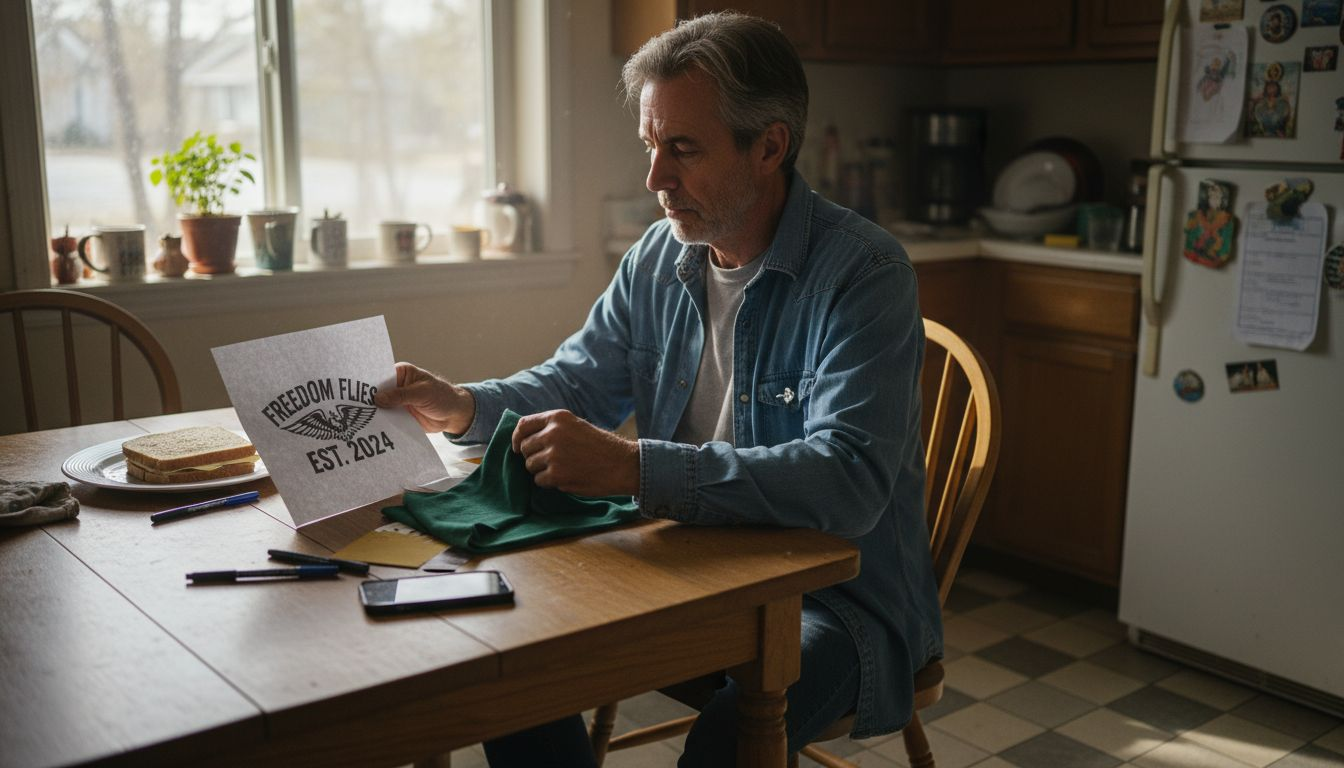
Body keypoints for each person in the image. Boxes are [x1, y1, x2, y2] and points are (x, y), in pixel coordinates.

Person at [375, 12, 940, 767]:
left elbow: (848, 482)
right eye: (651, 145)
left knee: (729, 735)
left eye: (683, 149)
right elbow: (578, 381)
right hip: (692, 557)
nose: (655, 179)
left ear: (769, 146)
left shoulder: (865, 275)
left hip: (840, 598)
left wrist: (632, 469)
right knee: (504, 658)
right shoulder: (658, 256)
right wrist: (465, 407)